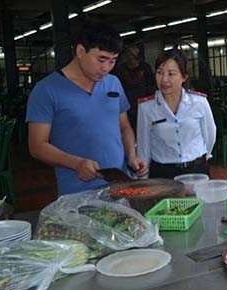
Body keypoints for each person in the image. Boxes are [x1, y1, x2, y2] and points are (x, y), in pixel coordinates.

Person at [26, 21, 148, 196]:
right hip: (77, 193)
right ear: (81, 51)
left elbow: (124, 126)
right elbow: (37, 146)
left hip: (119, 186)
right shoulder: (47, 90)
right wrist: (76, 163)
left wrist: (131, 157)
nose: (106, 68)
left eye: (113, 61)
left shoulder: (113, 83)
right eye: (101, 59)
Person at [137, 49, 216, 179]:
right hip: (163, 174)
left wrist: (201, 157)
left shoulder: (199, 102)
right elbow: (143, 146)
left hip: (196, 171)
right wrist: (143, 178)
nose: (164, 79)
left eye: (171, 74)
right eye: (159, 73)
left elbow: (210, 135)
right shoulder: (146, 108)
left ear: (184, 77)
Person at [116, 45, 155, 134]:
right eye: (128, 53)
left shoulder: (145, 67)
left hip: (143, 104)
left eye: (133, 54)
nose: (130, 56)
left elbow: (151, 84)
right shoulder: (121, 69)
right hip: (127, 105)